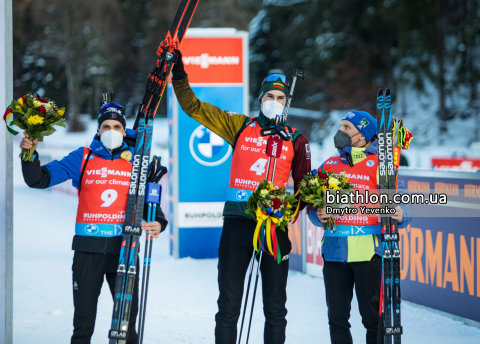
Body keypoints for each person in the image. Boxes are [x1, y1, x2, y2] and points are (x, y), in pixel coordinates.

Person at [160, 45, 311, 344]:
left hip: (274, 229)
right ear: (261, 99)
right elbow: (194, 107)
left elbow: (305, 190)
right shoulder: (240, 125)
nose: (275, 102)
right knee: (228, 306)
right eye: (270, 96)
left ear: (287, 102)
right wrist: (179, 73)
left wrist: (285, 210)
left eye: (280, 98)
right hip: (238, 223)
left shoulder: (296, 139)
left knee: (275, 307)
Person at [20, 102, 168, 344]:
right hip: (87, 251)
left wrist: (159, 223)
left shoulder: (136, 162)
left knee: (126, 326)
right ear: (98, 130)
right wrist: (29, 155)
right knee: (83, 324)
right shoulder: (83, 157)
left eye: (117, 126)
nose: (111, 130)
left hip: (125, 250)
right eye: (106, 126)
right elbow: (39, 179)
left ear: (124, 130)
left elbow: (152, 208)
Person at [307, 110, 412, 344]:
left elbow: (403, 200)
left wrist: (401, 213)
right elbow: (312, 208)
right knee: (337, 320)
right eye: (341, 126)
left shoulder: (380, 165)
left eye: (347, 128)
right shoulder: (330, 164)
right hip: (335, 254)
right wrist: (317, 213)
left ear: (363, 135)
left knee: (373, 321)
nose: (340, 132)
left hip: (370, 255)